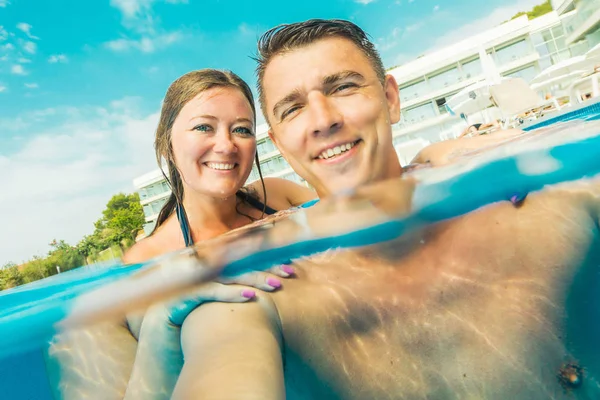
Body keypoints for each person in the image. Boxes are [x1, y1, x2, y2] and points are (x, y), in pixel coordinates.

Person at [165, 19, 600, 400]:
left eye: (343, 87)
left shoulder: (546, 192)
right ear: (277, 142)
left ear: (391, 99)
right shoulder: (256, 289)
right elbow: (222, 365)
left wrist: (453, 154)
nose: (322, 119)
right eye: (293, 108)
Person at [44, 69, 316, 400]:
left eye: (242, 130)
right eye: (204, 127)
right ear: (168, 145)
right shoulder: (147, 260)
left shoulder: (280, 196)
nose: (226, 144)